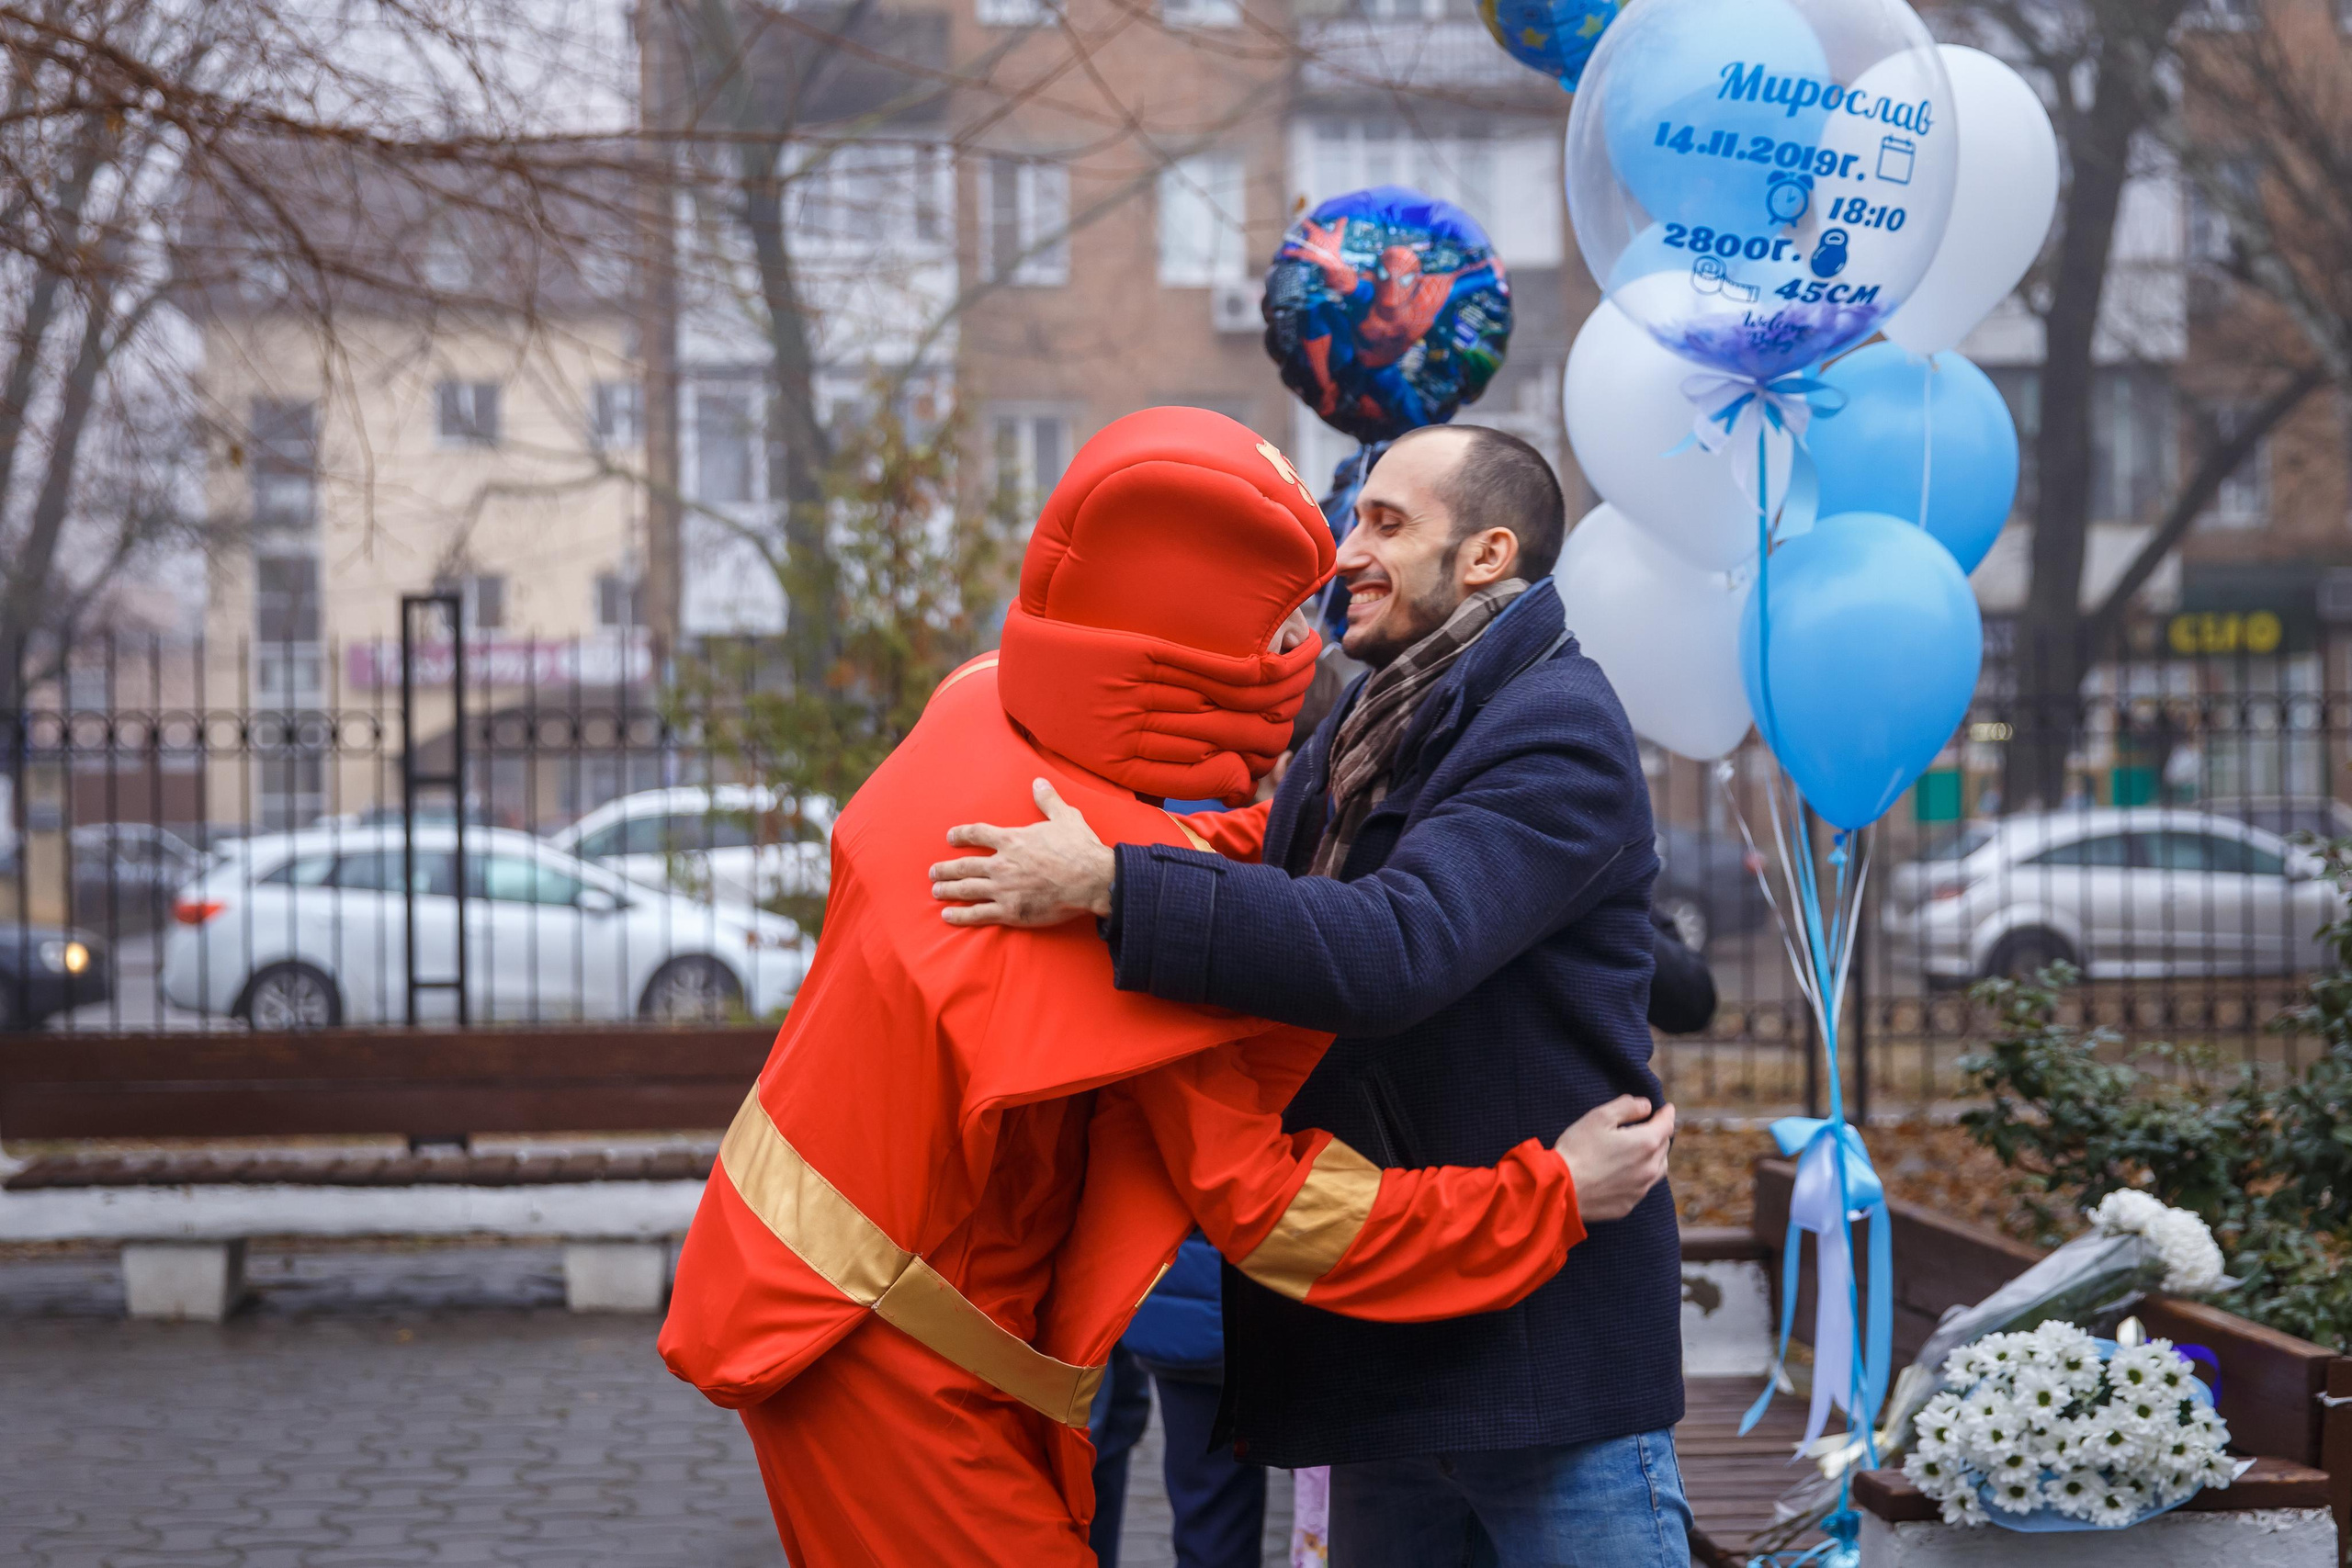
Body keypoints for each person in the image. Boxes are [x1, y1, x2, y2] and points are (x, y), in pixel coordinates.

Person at [659, 408, 1678, 1568]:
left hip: (1502, 1366)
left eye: (1385, 522)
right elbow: (1281, 1209)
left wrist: (1125, 878)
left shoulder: (983, 722)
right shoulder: (1100, 873)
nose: (1342, 562)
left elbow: (1378, 916)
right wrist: (1547, 1195)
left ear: (1487, 553)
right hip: (888, 1342)